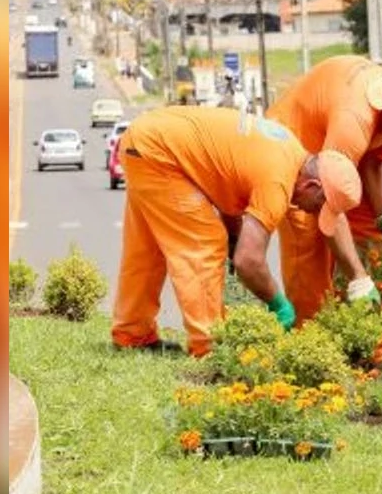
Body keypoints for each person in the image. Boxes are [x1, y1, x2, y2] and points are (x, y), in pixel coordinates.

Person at [112, 106, 362, 357]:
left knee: (147, 248)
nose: (311, 212)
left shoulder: (290, 152)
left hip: (147, 138)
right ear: (311, 185)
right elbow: (248, 261)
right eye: (319, 206)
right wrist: (279, 304)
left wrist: (234, 238)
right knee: (204, 243)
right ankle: (208, 347)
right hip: (160, 154)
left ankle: (132, 332)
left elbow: (229, 181)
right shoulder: (277, 183)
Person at [266, 55, 382, 323]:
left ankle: (366, 348)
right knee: (309, 247)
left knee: (372, 234)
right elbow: (329, 203)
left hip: (335, 155)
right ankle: (310, 344)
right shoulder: (353, 120)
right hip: (294, 147)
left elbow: (373, 159)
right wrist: (358, 278)